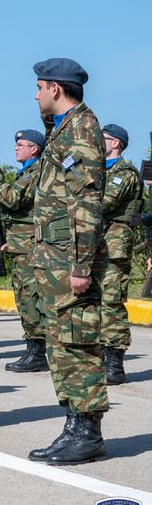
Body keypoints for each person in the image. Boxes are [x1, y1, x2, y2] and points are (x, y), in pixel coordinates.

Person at [27, 57, 108, 465]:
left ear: (55, 88)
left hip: (68, 260)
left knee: (78, 343)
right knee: (61, 345)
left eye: (40, 88)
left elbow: (87, 203)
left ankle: (88, 433)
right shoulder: (63, 129)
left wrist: (80, 267)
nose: (36, 95)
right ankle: (74, 425)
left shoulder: (82, 129)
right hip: (54, 258)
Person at [0, 129, 48, 373]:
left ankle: (37, 353)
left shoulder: (35, 172)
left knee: (30, 298)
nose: (16, 148)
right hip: (21, 244)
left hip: (30, 247)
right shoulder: (26, 171)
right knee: (24, 297)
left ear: (34, 149)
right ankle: (33, 350)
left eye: (21, 144)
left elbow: (13, 199)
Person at [96, 123, 140, 385]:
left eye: (103, 139)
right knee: (95, 303)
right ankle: (100, 354)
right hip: (94, 247)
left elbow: (102, 203)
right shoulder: (99, 172)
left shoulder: (124, 173)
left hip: (113, 247)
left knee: (111, 303)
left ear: (116, 143)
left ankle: (114, 360)